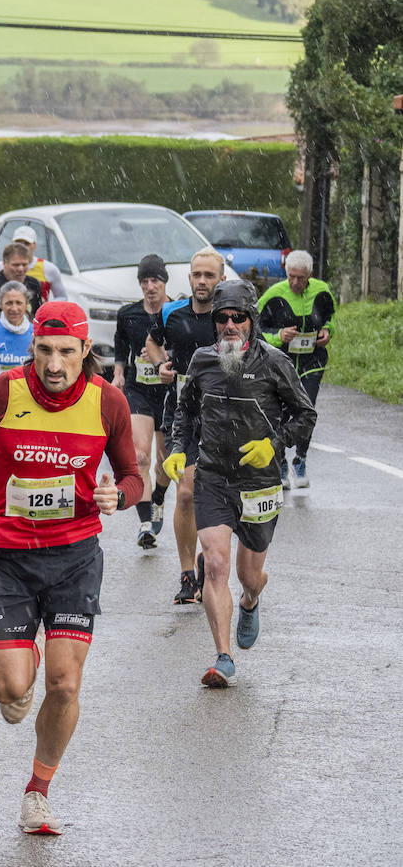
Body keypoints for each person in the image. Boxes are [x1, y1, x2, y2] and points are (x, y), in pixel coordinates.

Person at [0, 300, 142, 835]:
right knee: (11, 696)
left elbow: (132, 475)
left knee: (66, 685)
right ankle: (20, 659)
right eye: (45, 352)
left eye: (66, 353)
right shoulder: (3, 394)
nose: (55, 364)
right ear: (32, 348)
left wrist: (117, 495)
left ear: (84, 352)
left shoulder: (109, 403)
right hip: (8, 557)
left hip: (75, 556)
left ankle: (38, 791)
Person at [164, 280, 316, 688]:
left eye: (238, 317)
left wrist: (274, 445)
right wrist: (179, 447)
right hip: (213, 477)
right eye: (222, 318)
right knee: (214, 564)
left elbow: (305, 414)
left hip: (259, 483)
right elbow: (185, 410)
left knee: (249, 576)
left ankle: (251, 600)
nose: (229, 325)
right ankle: (223, 656)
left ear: (252, 320)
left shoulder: (275, 363)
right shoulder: (202, 360)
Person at [145, 247, 225, 605]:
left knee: (217, 494)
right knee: (188, 492)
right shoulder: (172, 313)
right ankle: (187, 573)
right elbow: (153, 343)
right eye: (197, 275)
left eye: (209, 275)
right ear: (189, 278)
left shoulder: (230, 316)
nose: (202, 281)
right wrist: (163, 366)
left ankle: (209, 552)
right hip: (181, 415)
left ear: (221, 279)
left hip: (223, 417)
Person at [112, 254, 174, 550]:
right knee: (140, 456)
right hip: (138, 390)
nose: (150, 287)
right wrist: (119, 372)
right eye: (145, 281)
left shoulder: (177, 312)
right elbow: (120, 345)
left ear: (164, 283)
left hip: (169, 393)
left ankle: (159, 496)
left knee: (165, 460)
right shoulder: (128, 314)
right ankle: (145, 524)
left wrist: (162, 356)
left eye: (155, 281)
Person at [258, 249, 334, 489]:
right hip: (282, 365)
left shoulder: (322, 291)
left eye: (301, 278)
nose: (295, 282)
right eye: (291, 276)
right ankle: (280, 462)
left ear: (309, 275)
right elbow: (257, 331)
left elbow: (332, 319)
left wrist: (327, 332)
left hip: (312, 362)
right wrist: (279, 336)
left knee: (306, 411)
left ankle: (300, 459)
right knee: (280, 413)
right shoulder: (273, 295)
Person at [0, 280, 33, 374]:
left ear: (26, 304)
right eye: (9, 303)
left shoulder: (35, 334)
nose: (14, 309)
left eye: (19, 303)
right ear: (1, 304)